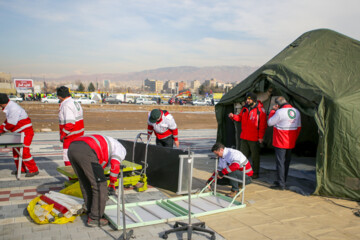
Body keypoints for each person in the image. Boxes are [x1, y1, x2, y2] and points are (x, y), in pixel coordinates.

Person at [67, 134, 126, 227]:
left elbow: (96, 168)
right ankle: (95, 218)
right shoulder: (121, 150)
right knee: (100, 186)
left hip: (72, 147)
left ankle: (90, 208)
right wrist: (111, 184)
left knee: (85, 182)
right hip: (86, 150)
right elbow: (115, 165)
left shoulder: (110, 144)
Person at [228, 92, 267, 179]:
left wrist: (260, 137)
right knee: (242, 155)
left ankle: (255, 172)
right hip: (244, 137)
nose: (247, 100)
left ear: (254, 99)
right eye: (247, 99)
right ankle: (242, 171)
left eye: (249, 99)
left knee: (255, 156)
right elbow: (240, 118)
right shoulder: (245, 108)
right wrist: (233, 116)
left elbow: (262, 125)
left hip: (254, 138)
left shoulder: (260, 110)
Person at [0, 93, 39, 177]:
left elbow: (11, 124)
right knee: (16, 151)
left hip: (26, 133)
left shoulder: (13, 108)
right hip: (18, 133)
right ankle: (21, 169)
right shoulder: (9, 107)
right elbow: (8, 120)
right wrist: (1, 127)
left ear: (2, 103)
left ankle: (34, 170)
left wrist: (2, 130)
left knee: (24, 151)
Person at [267, 96, 301, 190]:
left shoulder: (279, 112)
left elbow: (269, 123)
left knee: (280, 163)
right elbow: (298, 127)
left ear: (277, 105)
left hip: (280, 141)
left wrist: (272, 112)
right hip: (290, 141)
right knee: (286, 162)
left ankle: (281, 184)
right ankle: (282, 180)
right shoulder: (296, 111)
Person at [57, 86, 84, 167]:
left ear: (60, 96)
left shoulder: (66, 105)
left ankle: (72, 177)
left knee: (68, 158)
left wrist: (63, 135)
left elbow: (70, 123)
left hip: (71, 136)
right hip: (79, 134)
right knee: (78, 157)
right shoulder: (74, 102)